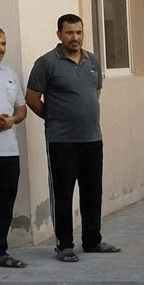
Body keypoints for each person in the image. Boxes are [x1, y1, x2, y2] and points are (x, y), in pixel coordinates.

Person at [25, 14, 119, 261]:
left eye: (79, 32)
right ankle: (64, 246)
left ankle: (92, 241)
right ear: (59, 34)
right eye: (69, 33)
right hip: (61, 141)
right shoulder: (46, 63)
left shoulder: (92, 61)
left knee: (92, 192)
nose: (75, 37)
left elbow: (95, 92)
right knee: (63, 194)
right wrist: (54, 118)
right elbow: (32, 98)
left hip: (92, 138)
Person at [0, 28, 28, 268]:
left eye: (3, 44)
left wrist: (13, 120)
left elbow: (21, 108)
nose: (1, 49)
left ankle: (1, 251)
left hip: (9, 151)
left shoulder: (10, 74)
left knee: (5, 205)